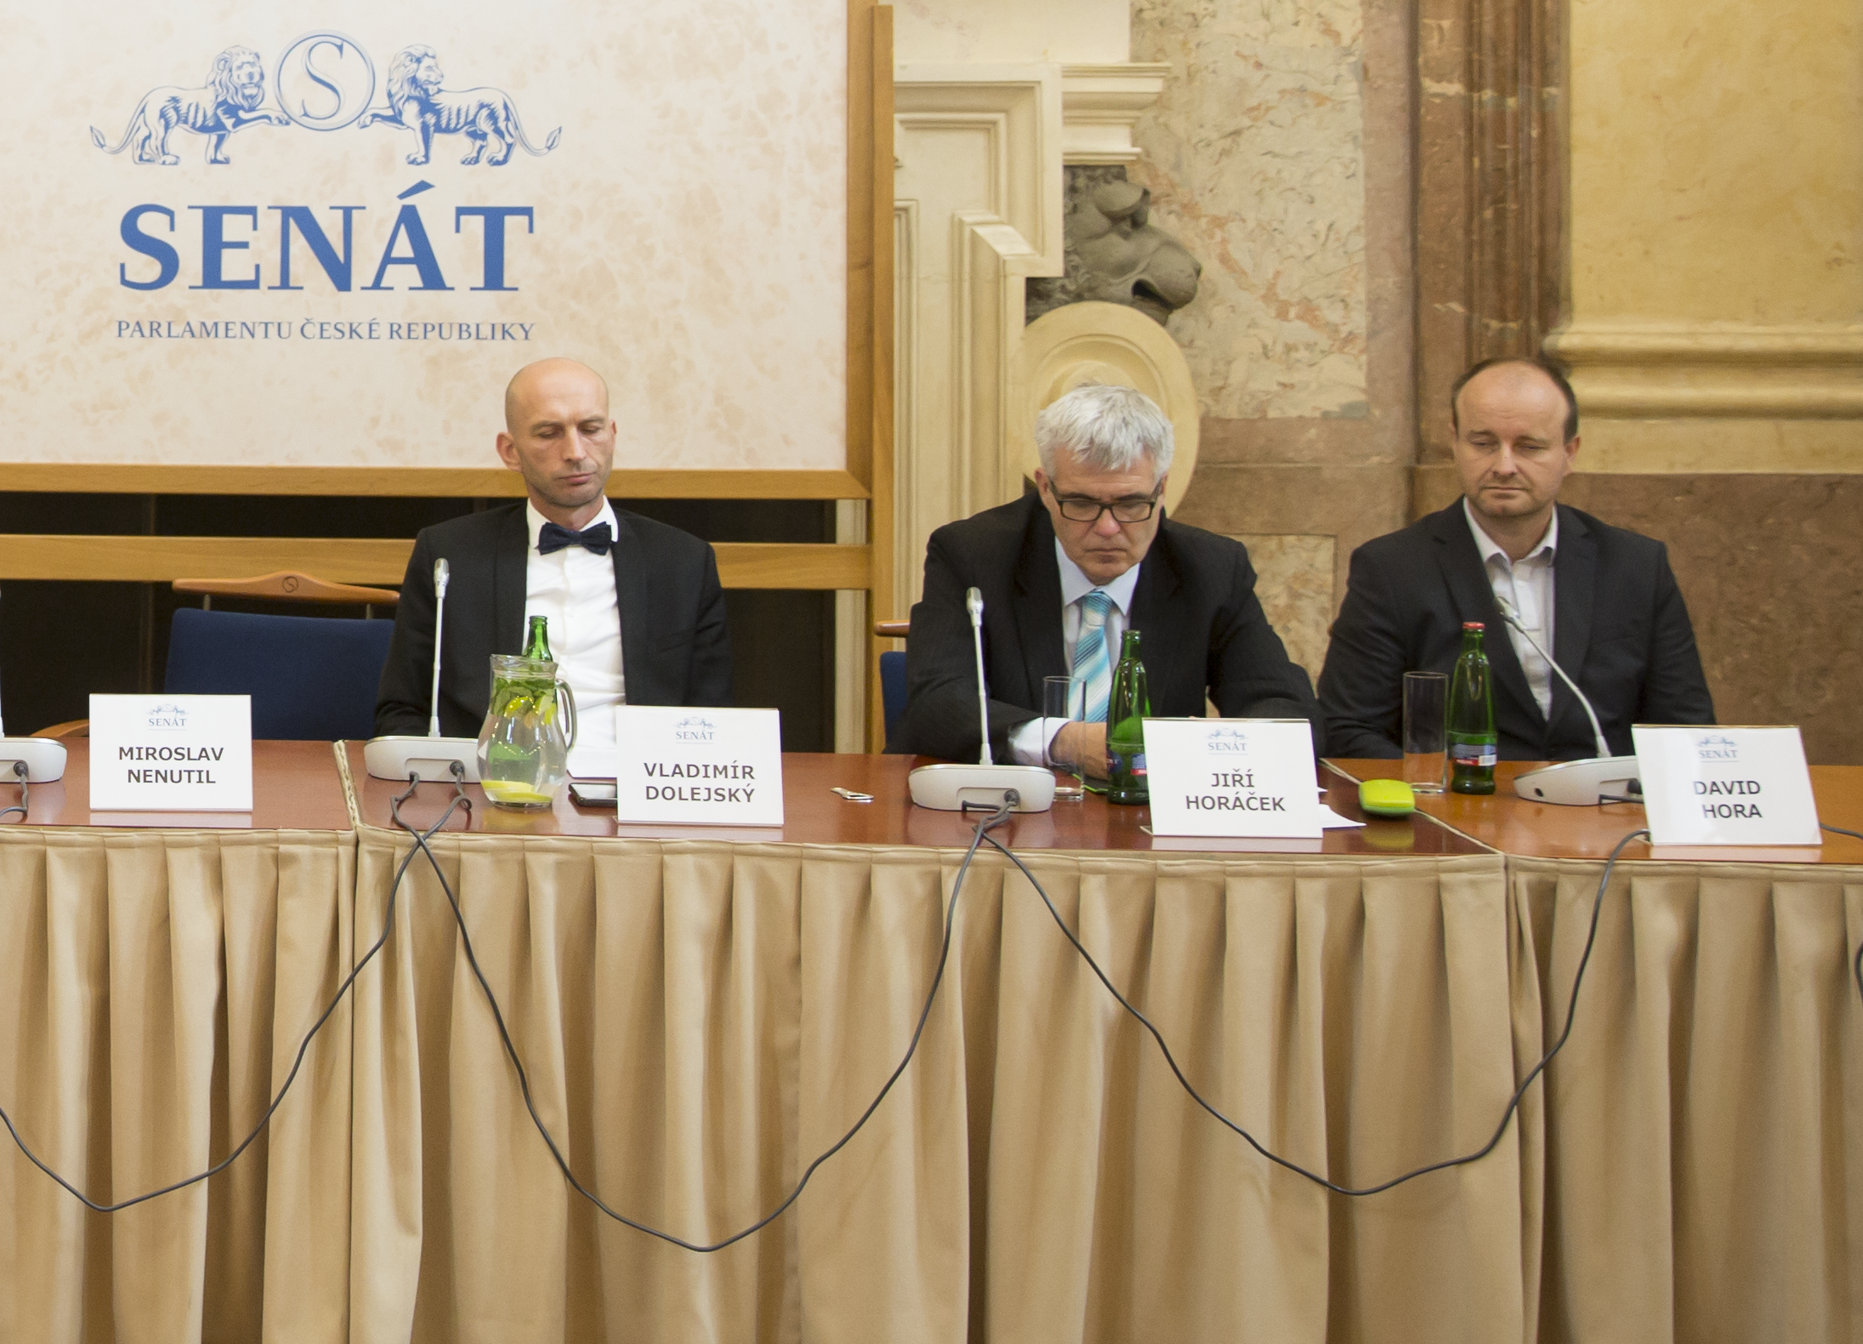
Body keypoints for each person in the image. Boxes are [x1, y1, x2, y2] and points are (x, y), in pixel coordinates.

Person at [888, 382, 1320, 771]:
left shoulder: (1211, 568)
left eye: (1131, 504)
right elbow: (937, 703)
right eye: (1081, 503)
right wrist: (1068, 742)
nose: (1108, 528)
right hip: (1012, 811)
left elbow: (1287, 710)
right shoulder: (972, 555)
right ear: (1045, 488)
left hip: (1148, 815)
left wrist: (1209, 746)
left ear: (1161, 489)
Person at [1318, 356, 1714, 760]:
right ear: (1455, 442)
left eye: (1529, 447)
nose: (1504, 466)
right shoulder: (1392, 568)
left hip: (1604, 796)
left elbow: (1685, 729)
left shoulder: (1636, 566)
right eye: (1483, 444)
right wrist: (1440, 784)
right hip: (1457, 796)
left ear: (1570, 452)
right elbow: (1348, 729)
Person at [375, 357, 731, 753]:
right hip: (493, 782)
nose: (575, 451)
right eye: (549, 433)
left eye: (591, 429)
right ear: (510, 451)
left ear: (612, 435)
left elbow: (712, 720)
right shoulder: (449, 555)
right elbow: (402, 710)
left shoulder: (683, 561)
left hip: (637, 778)